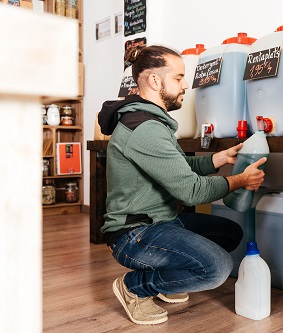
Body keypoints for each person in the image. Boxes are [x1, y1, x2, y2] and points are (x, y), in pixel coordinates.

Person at [98, 45, 267, 325]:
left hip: (162, 222)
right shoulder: (145, 128)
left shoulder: (152, 121)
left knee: (228, 233)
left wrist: (219, 158)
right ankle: (135, 287)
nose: (185, 85)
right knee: (217, 268)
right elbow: (191, 190)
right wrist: (239, 180)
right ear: (154, 80)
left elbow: (179, 168)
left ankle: (164, 281)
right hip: (134, 234)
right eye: (178, 78)